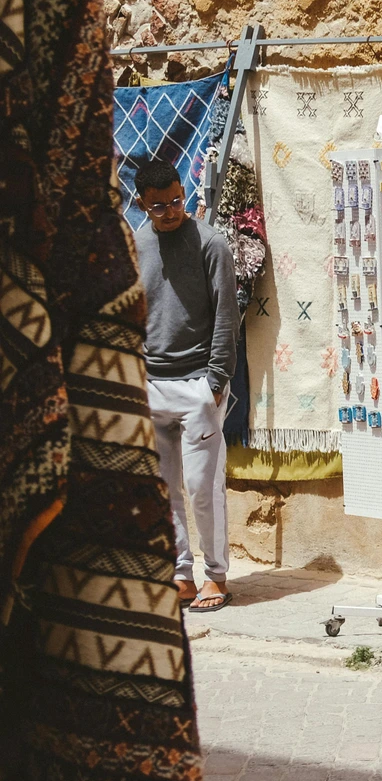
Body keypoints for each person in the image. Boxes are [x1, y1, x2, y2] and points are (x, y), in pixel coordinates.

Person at [132, 158, 238, 612]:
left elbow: (226, 317)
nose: (171, 211)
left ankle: (216, 576)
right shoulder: (137, 244)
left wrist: (214, 382)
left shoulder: (211, 243)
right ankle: (181, 574)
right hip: (151, 384)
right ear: (143, 204)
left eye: (176, 200)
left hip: (199, 383)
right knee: (164, 489)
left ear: (183, 190)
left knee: (201, 487)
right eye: (160, 206)